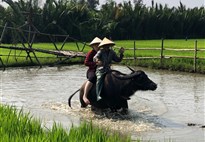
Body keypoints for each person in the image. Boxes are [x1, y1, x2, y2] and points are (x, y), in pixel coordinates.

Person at [83, 37, 102, 105]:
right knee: (92, 78)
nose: (97, 46)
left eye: (98, 45)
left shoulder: (103, 52)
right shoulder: (91, 53)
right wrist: (95, 64)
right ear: (93, 46)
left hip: (102, 70)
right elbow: (86, 62)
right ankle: (85, 96)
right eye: (95, 45)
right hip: (92, 70)